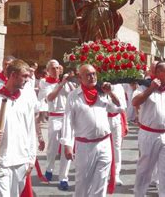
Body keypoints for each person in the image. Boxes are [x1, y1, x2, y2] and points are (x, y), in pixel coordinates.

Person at [0, 59, 38, 196]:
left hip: (21, 160)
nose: (27, 80)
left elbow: (30, 130)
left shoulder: (26, 99)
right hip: (1, 160)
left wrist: (31, 158)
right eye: (24, 76)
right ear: (13, 75)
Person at [61, 64, 121, 197]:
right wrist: (67, 145)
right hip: (85, 145)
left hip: (104, 143)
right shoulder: (73, 96)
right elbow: (68, 120)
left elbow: (117, 108)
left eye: (94, 73)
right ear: (79, 77)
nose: (92, 77)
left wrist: (110, 92)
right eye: (88, 74)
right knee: (83, 183)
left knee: (101, 181)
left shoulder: (102, 93)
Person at [132, 62, 165, 197]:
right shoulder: (144, 86)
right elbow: (135, 102)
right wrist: (151, 89)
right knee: (145, 170)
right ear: (158, 73)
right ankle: (139, 194)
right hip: (148, 135)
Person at [42, 60, 74, 190]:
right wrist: (61, 84)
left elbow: (74, 95)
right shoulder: (44, 82)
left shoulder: (68, 82)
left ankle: (63, 178)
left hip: (67, 117)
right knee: (52, 147)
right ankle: (49, 168)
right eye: (53, 68)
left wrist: (69, 82)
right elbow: (50, 97)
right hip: (54, 117)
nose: (56, 71)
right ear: (48, 70)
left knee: (67, 147)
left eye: (58, 68)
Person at [107, 83, 128, 186]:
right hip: (103, 118)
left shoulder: (119, 86)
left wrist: (126, 123)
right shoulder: (98, 84)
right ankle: (104, 174)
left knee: (117, 147)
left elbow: (122, 106)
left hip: (116, 118)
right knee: (104, 147)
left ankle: (116, 174)